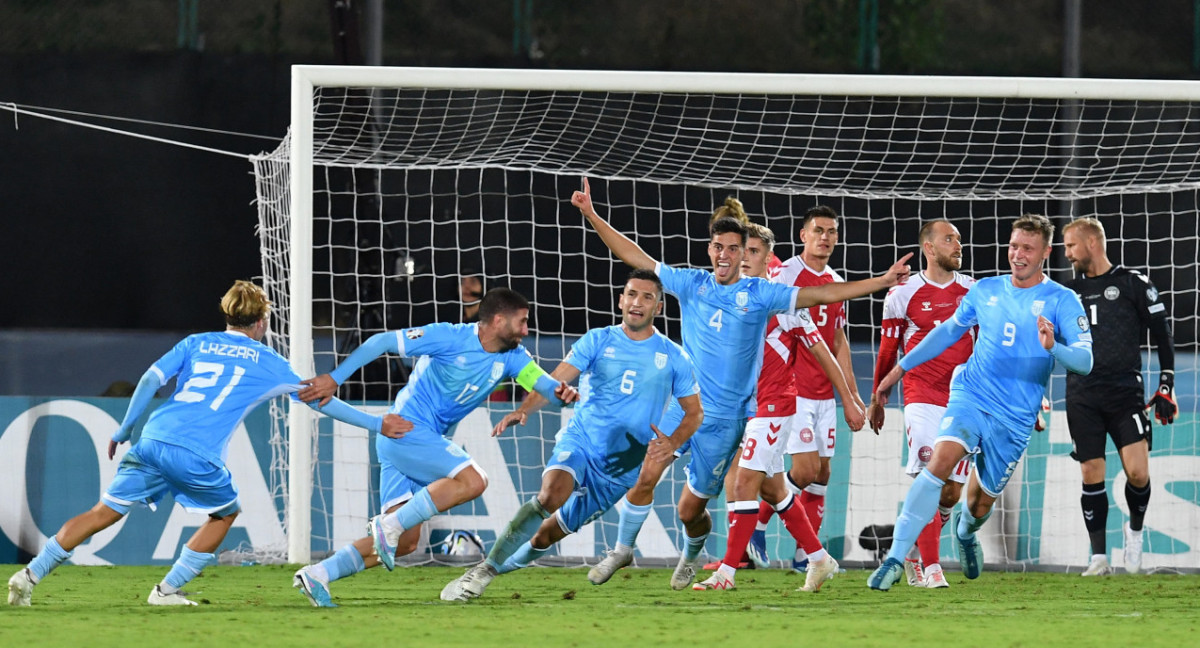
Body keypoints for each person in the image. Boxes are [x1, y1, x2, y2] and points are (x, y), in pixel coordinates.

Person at [572, 178, 912, 590]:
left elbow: (824, 296)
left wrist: (880, 282)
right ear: (710, 250)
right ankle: (626, 549)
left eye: (738, 249)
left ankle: (706, 554)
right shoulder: (691, 283)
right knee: (655, 472)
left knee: (697, 507)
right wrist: (592, 215)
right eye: (722, 247)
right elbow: (637, 258)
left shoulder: (763, 293)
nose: (728, 255)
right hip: (686, 406)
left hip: (732, 417)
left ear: (749, 256)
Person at [6, 281, 404, 607]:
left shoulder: (196, 343)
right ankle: (166, 591)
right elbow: (321, 401)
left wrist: (124, 428)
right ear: (262, 320)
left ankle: (29, 575)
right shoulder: (268, 362)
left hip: (154, 436)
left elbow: (148, 380)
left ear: (228, 315)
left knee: (102, 512)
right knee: (224, 514)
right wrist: (375, 423)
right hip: (196, 452)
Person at [292, 287, 577, 607]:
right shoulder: (449, 337)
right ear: (498, 321)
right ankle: (387, 525)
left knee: (404, 543)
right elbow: (383, 341)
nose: (527, 330)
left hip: (408, 442)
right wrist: (336, 377)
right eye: (522, 322)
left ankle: (318, 573)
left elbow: (544, 385)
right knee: (474, 481)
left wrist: (562, 392)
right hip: (407, 430)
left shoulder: (513, 358)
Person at [438, 270, 703, 601]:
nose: (637, 302)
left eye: (647, 297)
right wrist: (524, 409)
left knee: (543, 539)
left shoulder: (674, 356)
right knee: (550, 495)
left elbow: (694, 413)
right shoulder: (598, 339)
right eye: (631, 294)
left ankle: (494, 565)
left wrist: (674, 443)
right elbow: (554, 380)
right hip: (581, 442)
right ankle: (484, 571)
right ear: (621, 300)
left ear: (659, 308)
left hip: (620, 471)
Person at [867, 214, 1093, 591]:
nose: (1018, 255)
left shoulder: (1062, 300)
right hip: (971, 393)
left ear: (1046, 253)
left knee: (977, 506)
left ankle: (965, 533)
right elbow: (948, 332)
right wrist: (898, 371)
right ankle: (895, 559)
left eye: (1028, 248)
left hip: (1015, 416)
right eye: (1014, 246)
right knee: (937, 463)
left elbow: (1085, 362)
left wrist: (1055, 348)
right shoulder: (986, 290)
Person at [692, 222, 865, 593]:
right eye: (743, 251)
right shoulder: (729, 298)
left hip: (776, 406)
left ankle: (726, 573)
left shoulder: (782, 302)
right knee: (775, 491)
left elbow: (823, 348)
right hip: (746, 408)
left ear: (770, 260)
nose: (745, 259)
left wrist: (849, 398)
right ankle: (819, 559)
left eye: (755, 252)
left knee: (743, 483)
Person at [1062, 217, 1175, 576]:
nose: (1067, 254)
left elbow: (1162, 335)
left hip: (1126, 393)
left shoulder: (1133, 283)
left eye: (1071, 246)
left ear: (1092, 243)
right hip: (1082, 394)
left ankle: (1135, 535)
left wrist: (1166, 384)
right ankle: (1098, 558)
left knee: (1138, 474)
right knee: (1091, 471)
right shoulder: (1066, 293)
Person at [865, 219, 975, 589]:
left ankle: (909, 547)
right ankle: (931, 568)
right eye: (949, 239)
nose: (958, 245)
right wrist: (879, 395)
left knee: (950, 493)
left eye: (959, 239)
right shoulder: (902, 293)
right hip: (921, 394)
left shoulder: (973, 292)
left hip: (962, 398)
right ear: (929, 247)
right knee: (930, 474)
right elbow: (888, 348)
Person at [774, 205, 868, 571]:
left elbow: (838, 338)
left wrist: (852, 392)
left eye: (832, 231)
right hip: (792, 389)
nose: (826, 237)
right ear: (803, 235)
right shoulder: (786, 275)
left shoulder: (835, 281)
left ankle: (803, 556)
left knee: (823, 473)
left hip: (823, 394)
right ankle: (757, 526)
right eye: (819, 230)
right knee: (804, 470)